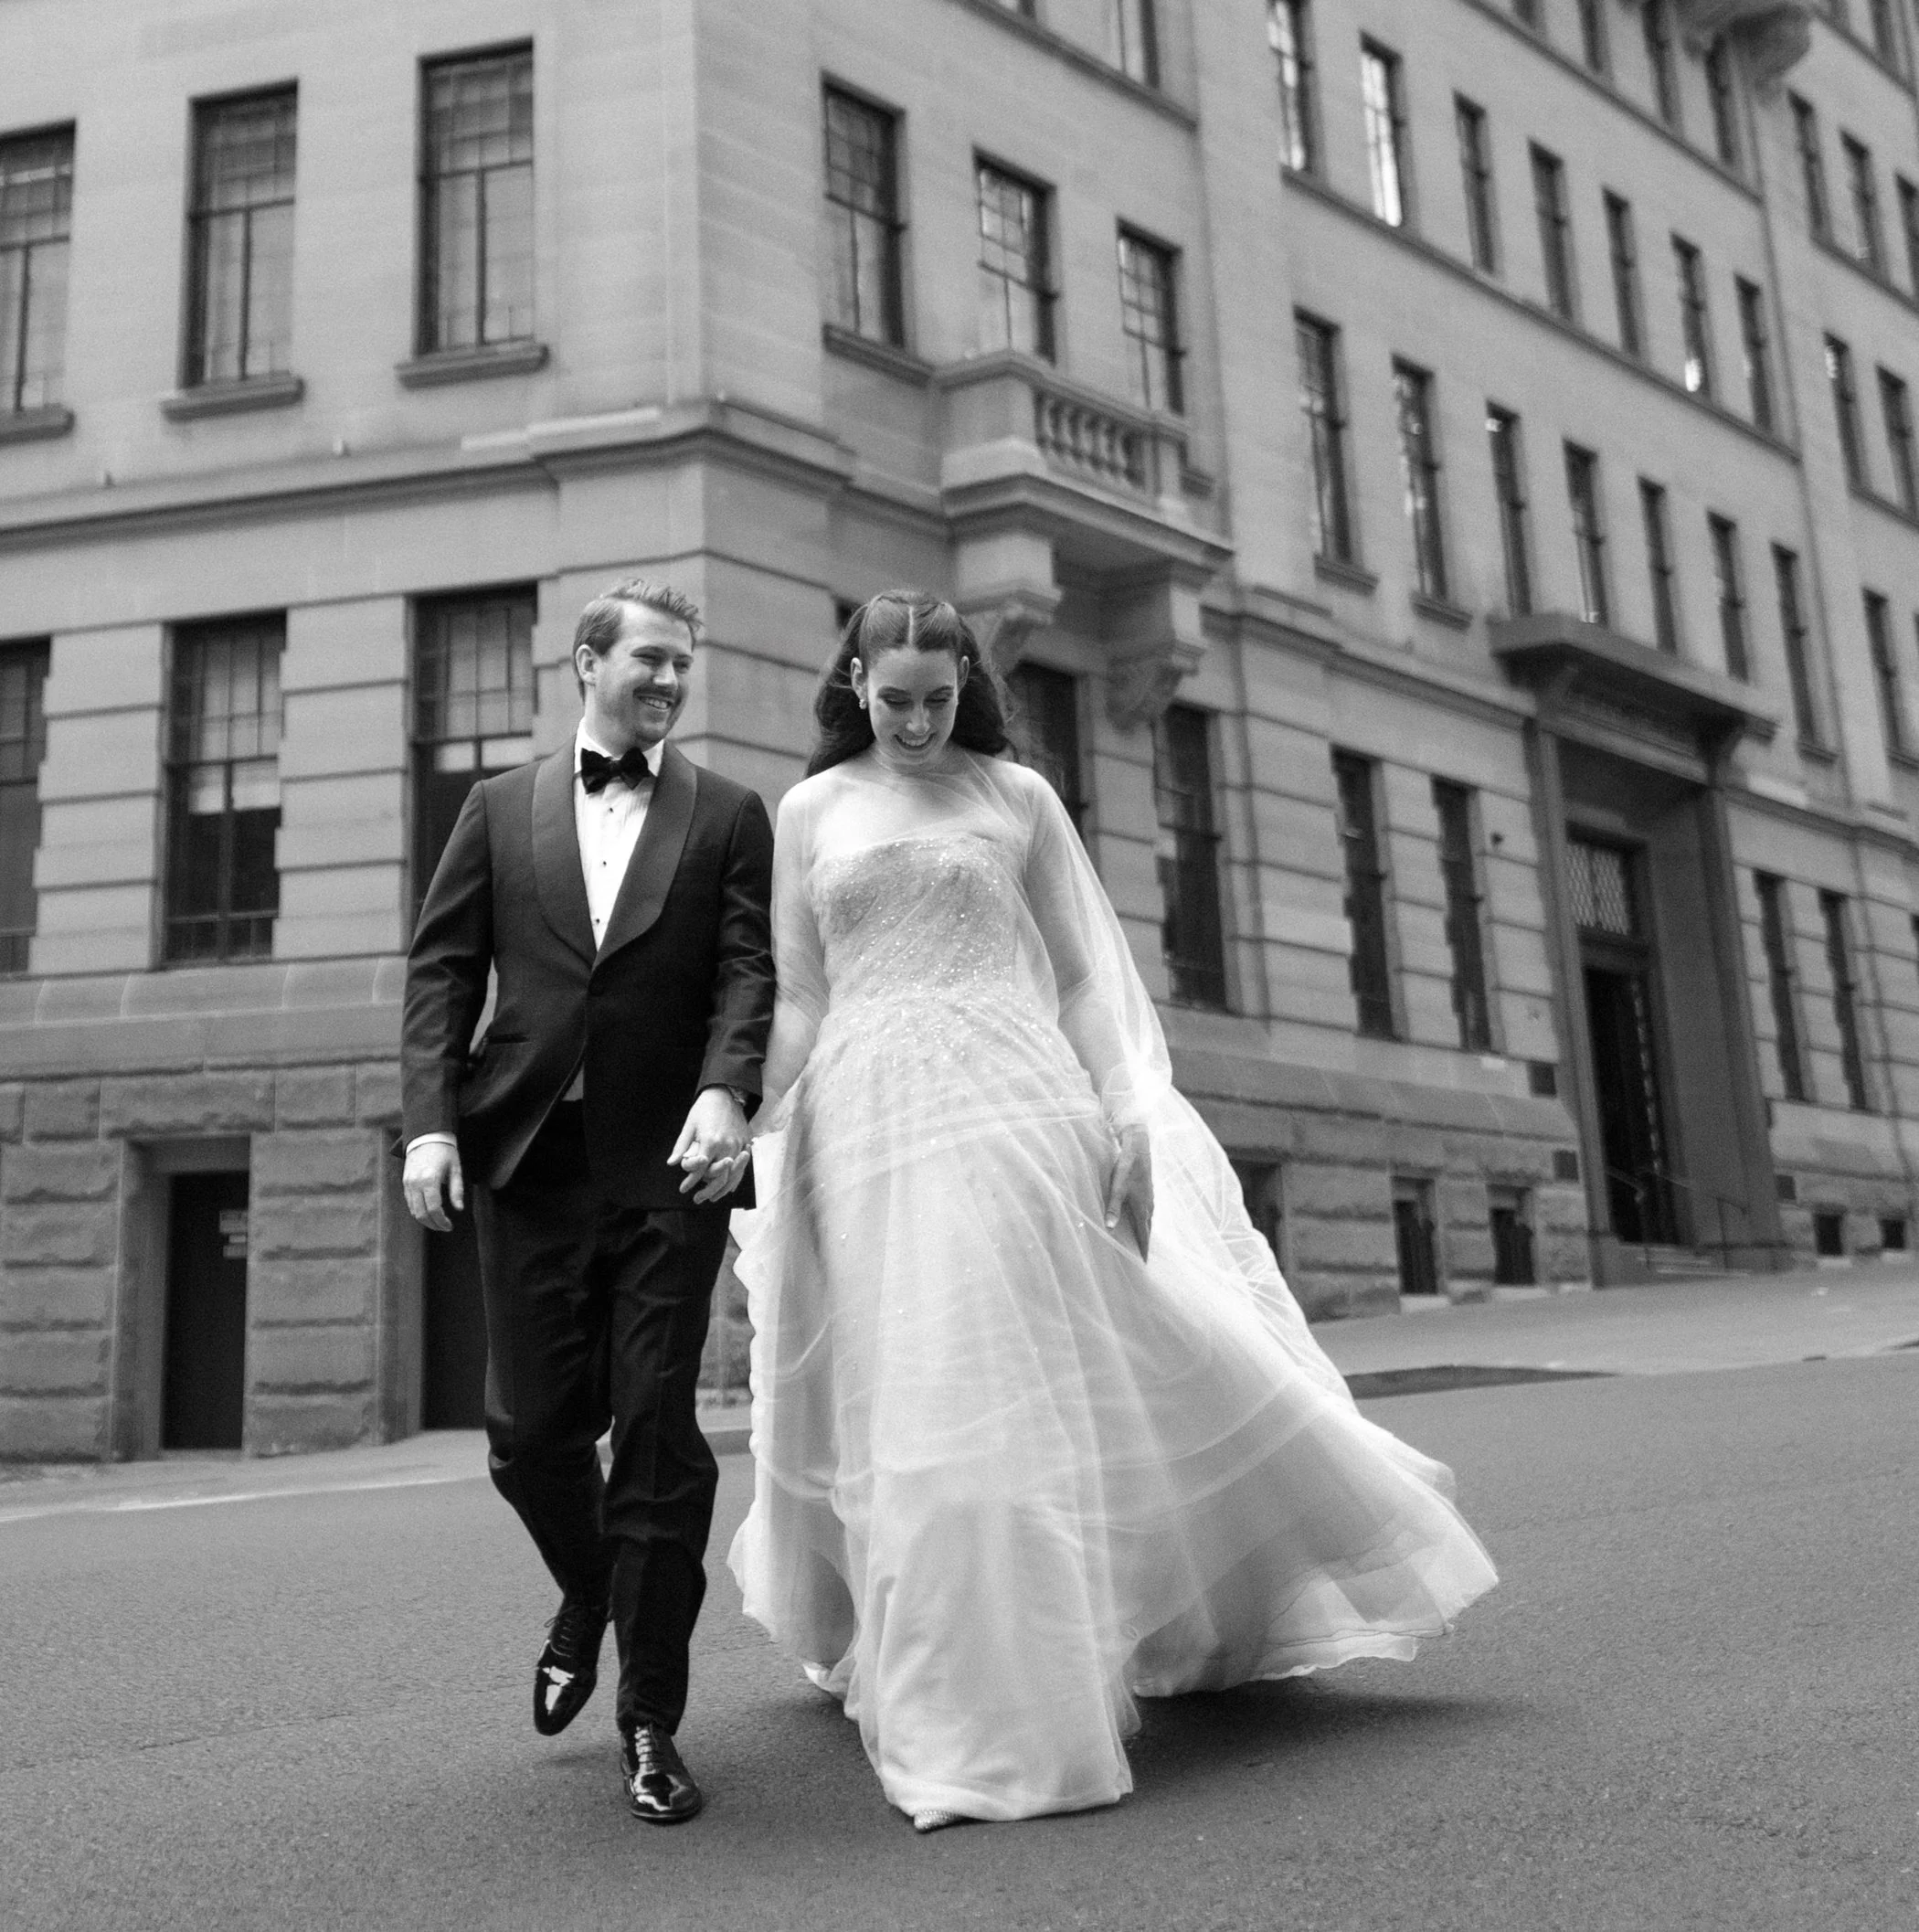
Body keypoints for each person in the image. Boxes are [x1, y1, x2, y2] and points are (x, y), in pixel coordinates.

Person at [728, 591, 1498, 1829]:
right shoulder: (811, 809)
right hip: (861, 1119)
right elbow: (805, 990)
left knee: (1020, 1380)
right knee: (899, 1388)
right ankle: (939, 1658)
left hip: (1013, 1100)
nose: (918, 719)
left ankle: (999, 1709)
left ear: (964, 683)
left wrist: (1128, 1112)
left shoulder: (1016, 798)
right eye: (894, 697)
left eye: (938, 696)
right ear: (855, 684)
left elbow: (1086, 975)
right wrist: (748, 1107)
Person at [401, 580, 775, 1828]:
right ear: (588, 662)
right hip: (530, 1158)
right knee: (527, 1433)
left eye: (684, 666)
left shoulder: (728, 813)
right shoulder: (497, 807)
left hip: (672, 1168)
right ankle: (590, 1583)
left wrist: (730, 1093)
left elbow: (746, 969)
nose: (670, 682)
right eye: (652, 660)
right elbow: (444, 969)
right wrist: (430, 1123)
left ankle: (653, 1720)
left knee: (659, 1436)